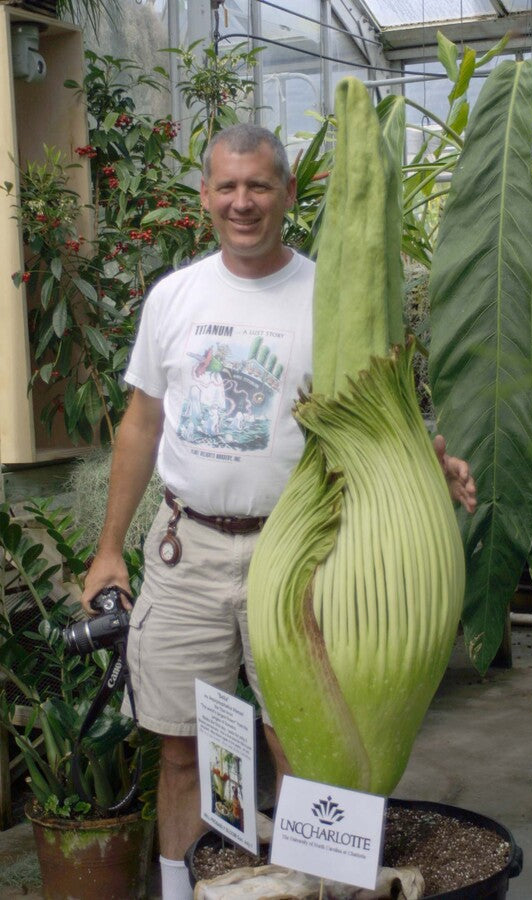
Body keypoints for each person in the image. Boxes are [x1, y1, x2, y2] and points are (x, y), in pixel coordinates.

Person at [81, 123, 476, 900]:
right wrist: (108, 548)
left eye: (259, 186)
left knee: (302, 738)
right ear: (205, 196)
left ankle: (317, 884)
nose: (242, 202)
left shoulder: (330, 297)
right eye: (226, 186)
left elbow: (371, 414)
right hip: (186, 549)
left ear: (289, 193)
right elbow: (141, 423)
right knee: (182, 749)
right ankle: (179, 887)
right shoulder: (176, 296)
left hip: (296, 556)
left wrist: (428, 459)